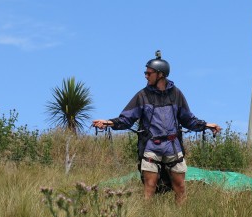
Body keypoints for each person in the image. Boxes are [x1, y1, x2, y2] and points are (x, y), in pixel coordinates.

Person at [92, 50, 221, 204]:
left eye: (148, 73)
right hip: (151, 146)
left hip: (173, 146)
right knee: (149, 186)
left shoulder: (176, 94)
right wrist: (107, 123)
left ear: (160, 74)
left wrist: (206, 125)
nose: (145, 76)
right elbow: (126, 118)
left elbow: (188, 119)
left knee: (180, 187)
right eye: (145, 73)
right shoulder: (142, 95)